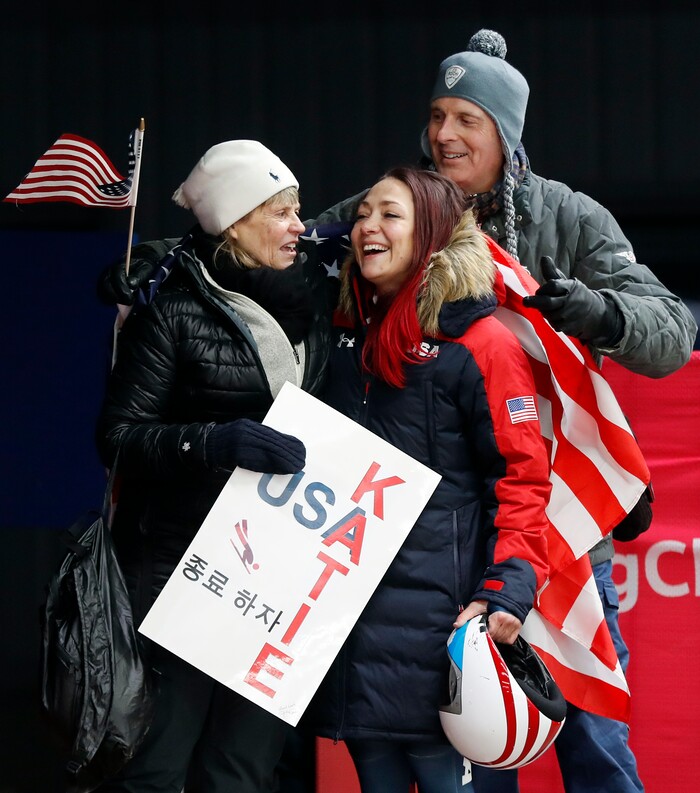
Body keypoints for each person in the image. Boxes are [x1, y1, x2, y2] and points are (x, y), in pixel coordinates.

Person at [97, 29, 698, 793]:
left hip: (557, 531)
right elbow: (277, 244)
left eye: (467, 120)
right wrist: (173, 266)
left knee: (592, 737)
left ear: (506, 136)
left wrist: (594, 311)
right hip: (433, 551)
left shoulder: (569, 219)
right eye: (438, 115)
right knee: (439, 751)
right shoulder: (392, 204)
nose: (443, 134)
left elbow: (671, 333)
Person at [93, 139, 336, 793]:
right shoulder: (170, 310)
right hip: (180, 576)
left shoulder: (320, 296)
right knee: (158, 767)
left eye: (299, 211)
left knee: (243, 771)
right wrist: (212, 443)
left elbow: (395, 214)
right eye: (281, 212)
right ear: (234, 222)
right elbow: (116, 438)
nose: (298, 226)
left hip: (280, 582)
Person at [308, 165, 552, 793]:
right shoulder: (335, 331)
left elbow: (523, 479)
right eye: (363, 214)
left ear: (434, 234)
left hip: (447, 631)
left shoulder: (481, 342)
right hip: (351, 623)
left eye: (390, 214)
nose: (368, 226)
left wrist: (506, 591)